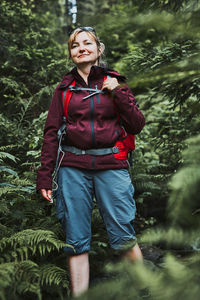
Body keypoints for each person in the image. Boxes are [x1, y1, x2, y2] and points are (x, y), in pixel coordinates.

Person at [36, 27, 145, 297]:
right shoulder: (63, 89)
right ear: (71, 53)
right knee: (76, 239)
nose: (81, 48)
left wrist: (117, 92)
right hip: (72, 168)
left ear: (98, 49)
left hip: (111, 165)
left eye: (87, 43)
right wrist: (44, 175)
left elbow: (137, 124)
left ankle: (145, 291)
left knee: (123, 233)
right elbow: (51, 133)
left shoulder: (115, 81)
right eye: (75, 45)